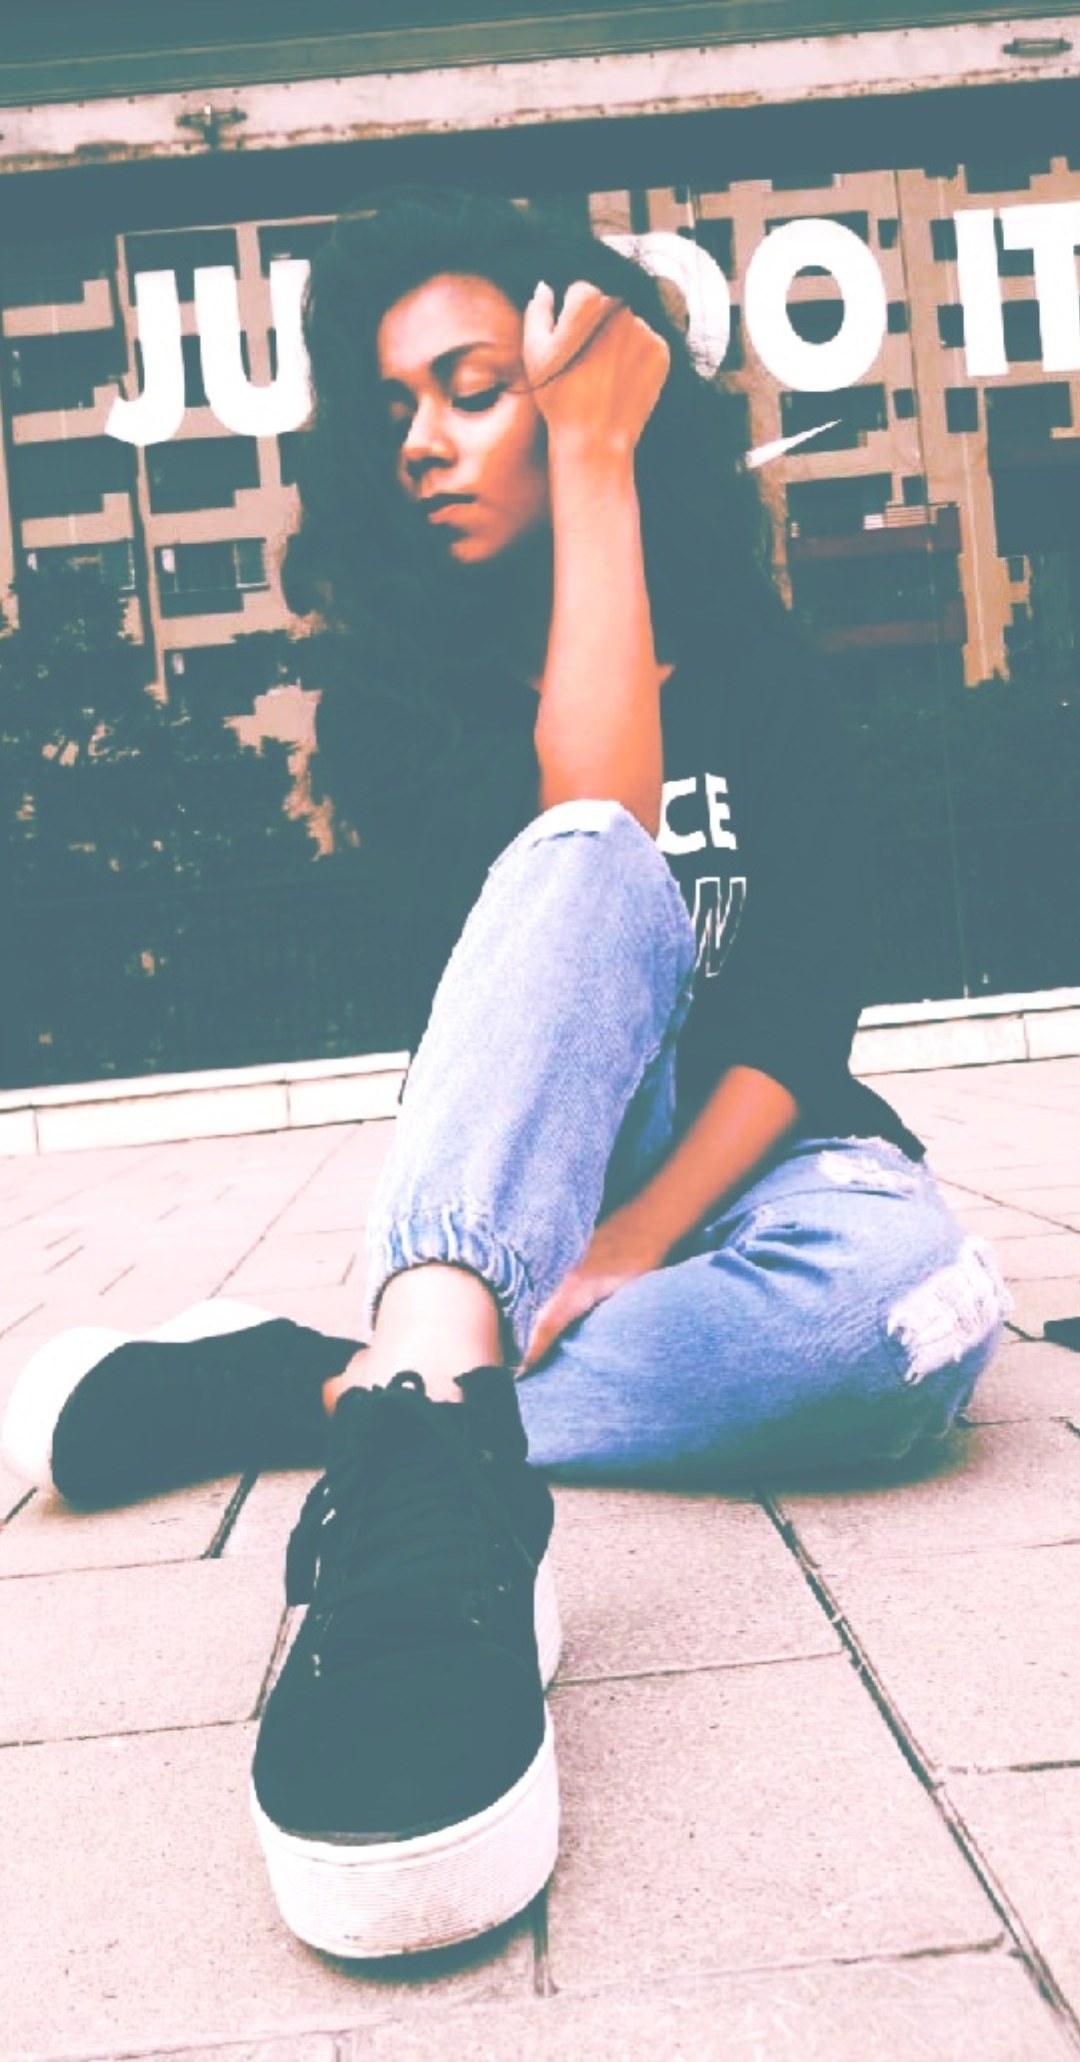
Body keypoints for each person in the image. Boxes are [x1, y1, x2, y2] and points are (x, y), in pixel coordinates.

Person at [2, 185, 1010, 1963]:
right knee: (587, 858)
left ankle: (354, 1391)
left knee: (912, 1309)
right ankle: (434, 1495)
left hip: (748, 1176)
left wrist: (641, 1238)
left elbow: (798, 1016)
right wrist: (586, 472)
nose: (422, 439)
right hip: (525, 1187)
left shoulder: (758, 662)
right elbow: (591, 855)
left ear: (585, 382)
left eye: (475, 389)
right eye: (397, 405)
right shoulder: (402, 698)